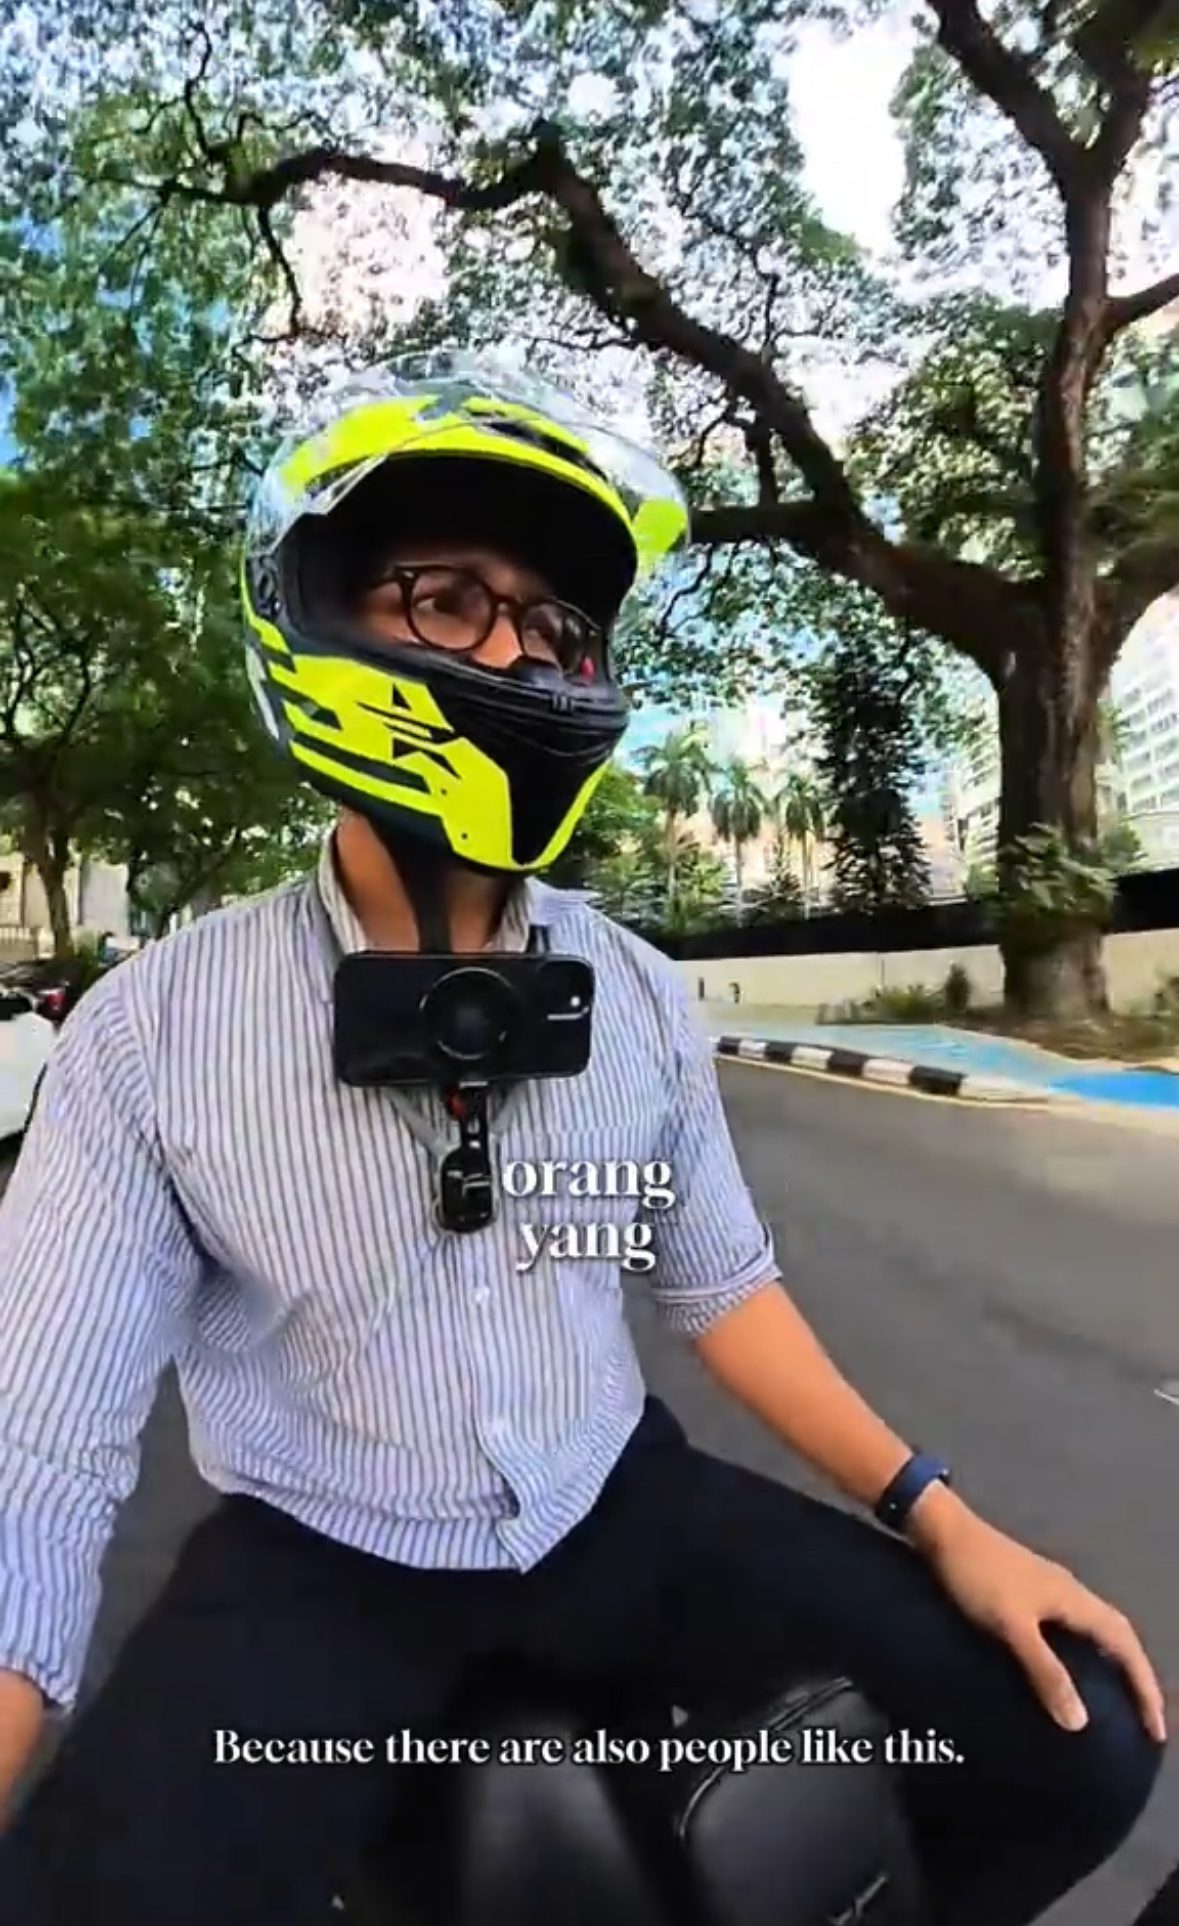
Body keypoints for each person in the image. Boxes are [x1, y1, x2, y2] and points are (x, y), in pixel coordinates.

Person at [0, 352, 1165, 1925]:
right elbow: (47, 1458)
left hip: (617, 1505)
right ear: (327, 609)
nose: (521, 651)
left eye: (557, 623)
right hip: (326, 1553)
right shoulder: (151, 1034)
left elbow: (722, 1290)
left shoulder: (636, 990)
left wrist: (948, 1518)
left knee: (1078, 1740)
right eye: (448, 597)